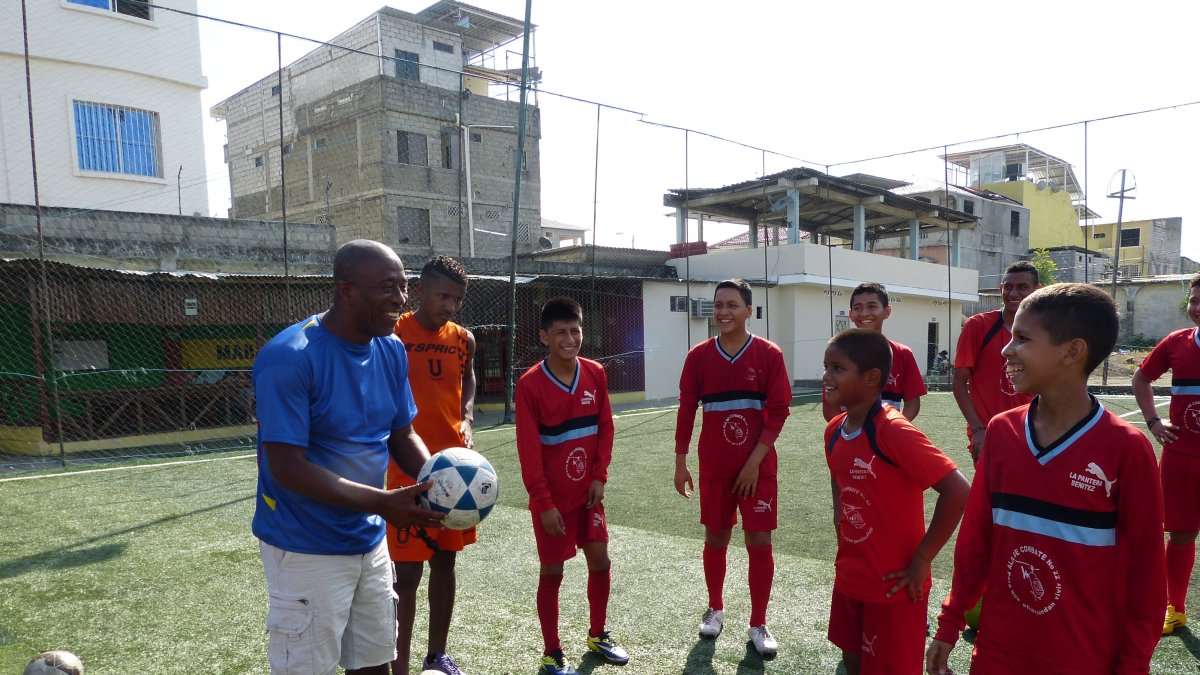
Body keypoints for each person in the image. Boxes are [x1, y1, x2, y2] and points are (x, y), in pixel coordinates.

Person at [927, 283, 1166, 675]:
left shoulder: (1127, 449)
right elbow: (977, 540)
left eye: (1022, 339)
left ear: (1072, 351)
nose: (1006, 350)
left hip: (1083, 657)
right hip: (997, 651)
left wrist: (1135, 664)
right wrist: (950, 622)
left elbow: (1146, 575)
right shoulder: (1001, 432)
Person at [251, 239, 444, 675]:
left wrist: (442, 478)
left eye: (404, 287)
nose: (400, 300)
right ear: (346, 290)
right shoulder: (289, 357)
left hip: (369, 541)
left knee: (375, 663)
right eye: (387, 288)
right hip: (305, 546)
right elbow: (285, 468)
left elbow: (402, 434)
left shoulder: (391, 349)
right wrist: (381, 502)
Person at [823, 328, 969, 675]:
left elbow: (958, 491)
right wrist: (839, 512)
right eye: (825, 366)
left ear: (872, 378)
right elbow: (838, 474)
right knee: (852, 662)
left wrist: (922, 559)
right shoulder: (834, 429)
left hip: (896, 586)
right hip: (850, 577)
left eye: (838, 368)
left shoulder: (892, 430)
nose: (826, 376)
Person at [674, 279, 792, 657]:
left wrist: (754, 462)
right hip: (715, 467)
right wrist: (681, 461)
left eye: (731, 305)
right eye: (718, 305)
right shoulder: (698, 356)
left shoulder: (769, 354)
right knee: (716, 538)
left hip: (757, 469)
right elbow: (687, 409)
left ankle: (758, 623)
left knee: (759, 543)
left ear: (748, 311)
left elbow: (777, 413)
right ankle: (715, 609)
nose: (723, 312)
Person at [515, 296, 629, 675]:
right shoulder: (530, 385)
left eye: (576, 330)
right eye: (561, 332)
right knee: (552, 573)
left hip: (588, 495)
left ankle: (598, 634)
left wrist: (599, 477)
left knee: (601, 560)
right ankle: (552, 651)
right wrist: (543, 503)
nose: (570, 338)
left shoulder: (595, 372)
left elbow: (606, 429)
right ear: (544, 336)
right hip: (552, 502)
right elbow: (529, 454)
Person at [386, 255, 477, 675]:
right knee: (405, 576)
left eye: (457, 299)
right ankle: (398, 662)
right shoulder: (393, 333)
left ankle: (436, 656)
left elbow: (468, 378)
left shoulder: (463, 339)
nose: (450, 306)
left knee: (446, 562)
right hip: (404, 469)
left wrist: (468, 416)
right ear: (420, 290)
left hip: (455, 472)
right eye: (443, 296)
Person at [1132, 272, 1200, 636]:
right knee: (1182, 534)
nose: (1198, 308)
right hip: (1181, 458)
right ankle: (1175, 607)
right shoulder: (1177, 342)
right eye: (1194, 300)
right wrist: (1154, 421)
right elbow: (1141, 379)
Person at [952, 260, 1041, 463]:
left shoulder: (1046, 331)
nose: (1013, 293)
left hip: (1032, 433)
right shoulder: (978, 326)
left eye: (1022, 287)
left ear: (1038, 290)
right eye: (1008, 287)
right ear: (1001, 288)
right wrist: (977, 429)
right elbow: (958, 382)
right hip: (989, 433)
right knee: (992, 493)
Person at [822, 282, 927, 423]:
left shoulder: (903, 354)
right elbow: (830, 407)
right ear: (851, 314)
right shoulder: (837, 353)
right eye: (858, 308)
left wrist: (892, 429)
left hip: (887, 439)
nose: (864, 313)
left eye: (872, 306)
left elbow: (912, 403)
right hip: (850, 438)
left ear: (887, 311)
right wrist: (852, 431)